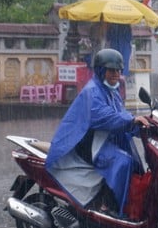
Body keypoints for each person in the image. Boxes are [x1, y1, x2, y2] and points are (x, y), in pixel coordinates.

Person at [45, 48, 149, 218]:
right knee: (122, 162)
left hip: (102, 141)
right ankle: (109, 208)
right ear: (101, 70)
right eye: (111, 70)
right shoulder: (92, 91)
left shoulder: (112, 90)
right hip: (88, 144)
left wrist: (142, 123)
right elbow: (104, 116)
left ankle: (125, 205)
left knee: (134, 162)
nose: (116, 74)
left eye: (118, 70)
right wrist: (131, 121)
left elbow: (120, 113)